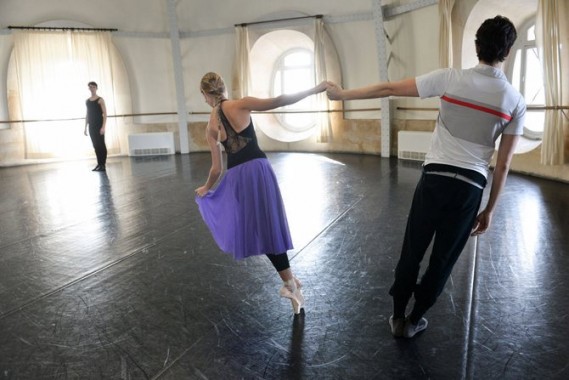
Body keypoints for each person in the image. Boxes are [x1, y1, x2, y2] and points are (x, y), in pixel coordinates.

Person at [327, 15, 525, 337]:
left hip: (435, 179)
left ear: (476, 46)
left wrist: (342, 95)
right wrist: (489, 209)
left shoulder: (450, 78)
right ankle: (415, 320)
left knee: (413, 249)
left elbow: (390, 87)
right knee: (443, 260)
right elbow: (503, 165)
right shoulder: (515, 102)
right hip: (470, 189)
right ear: (508, 51)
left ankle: (396, 316)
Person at [195, 72, 327, 314]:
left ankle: (291, 283)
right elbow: (279, 100)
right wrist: (313, 89)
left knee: (263, 229)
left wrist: (206, 188)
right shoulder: (241, 104)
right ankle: (291, 283)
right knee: (268, 227)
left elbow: (216, 169)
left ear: (205, 94)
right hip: (258, 170)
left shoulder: (210, 127)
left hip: (237, 179)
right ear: (223, 88)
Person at [84, 81, 108, 172]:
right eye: (90, 87)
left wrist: (103, 127)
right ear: (89, 88)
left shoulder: (100, 99)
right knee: (95, 145)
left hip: (99, 125)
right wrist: (85, 127)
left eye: (93, 87)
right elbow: (87, 114)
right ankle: (99, 164)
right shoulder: (87, 101)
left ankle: (103, 164)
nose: (92, 88)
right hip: (91, 126)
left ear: (96, 88)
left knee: (101, 144)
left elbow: (105, 114)